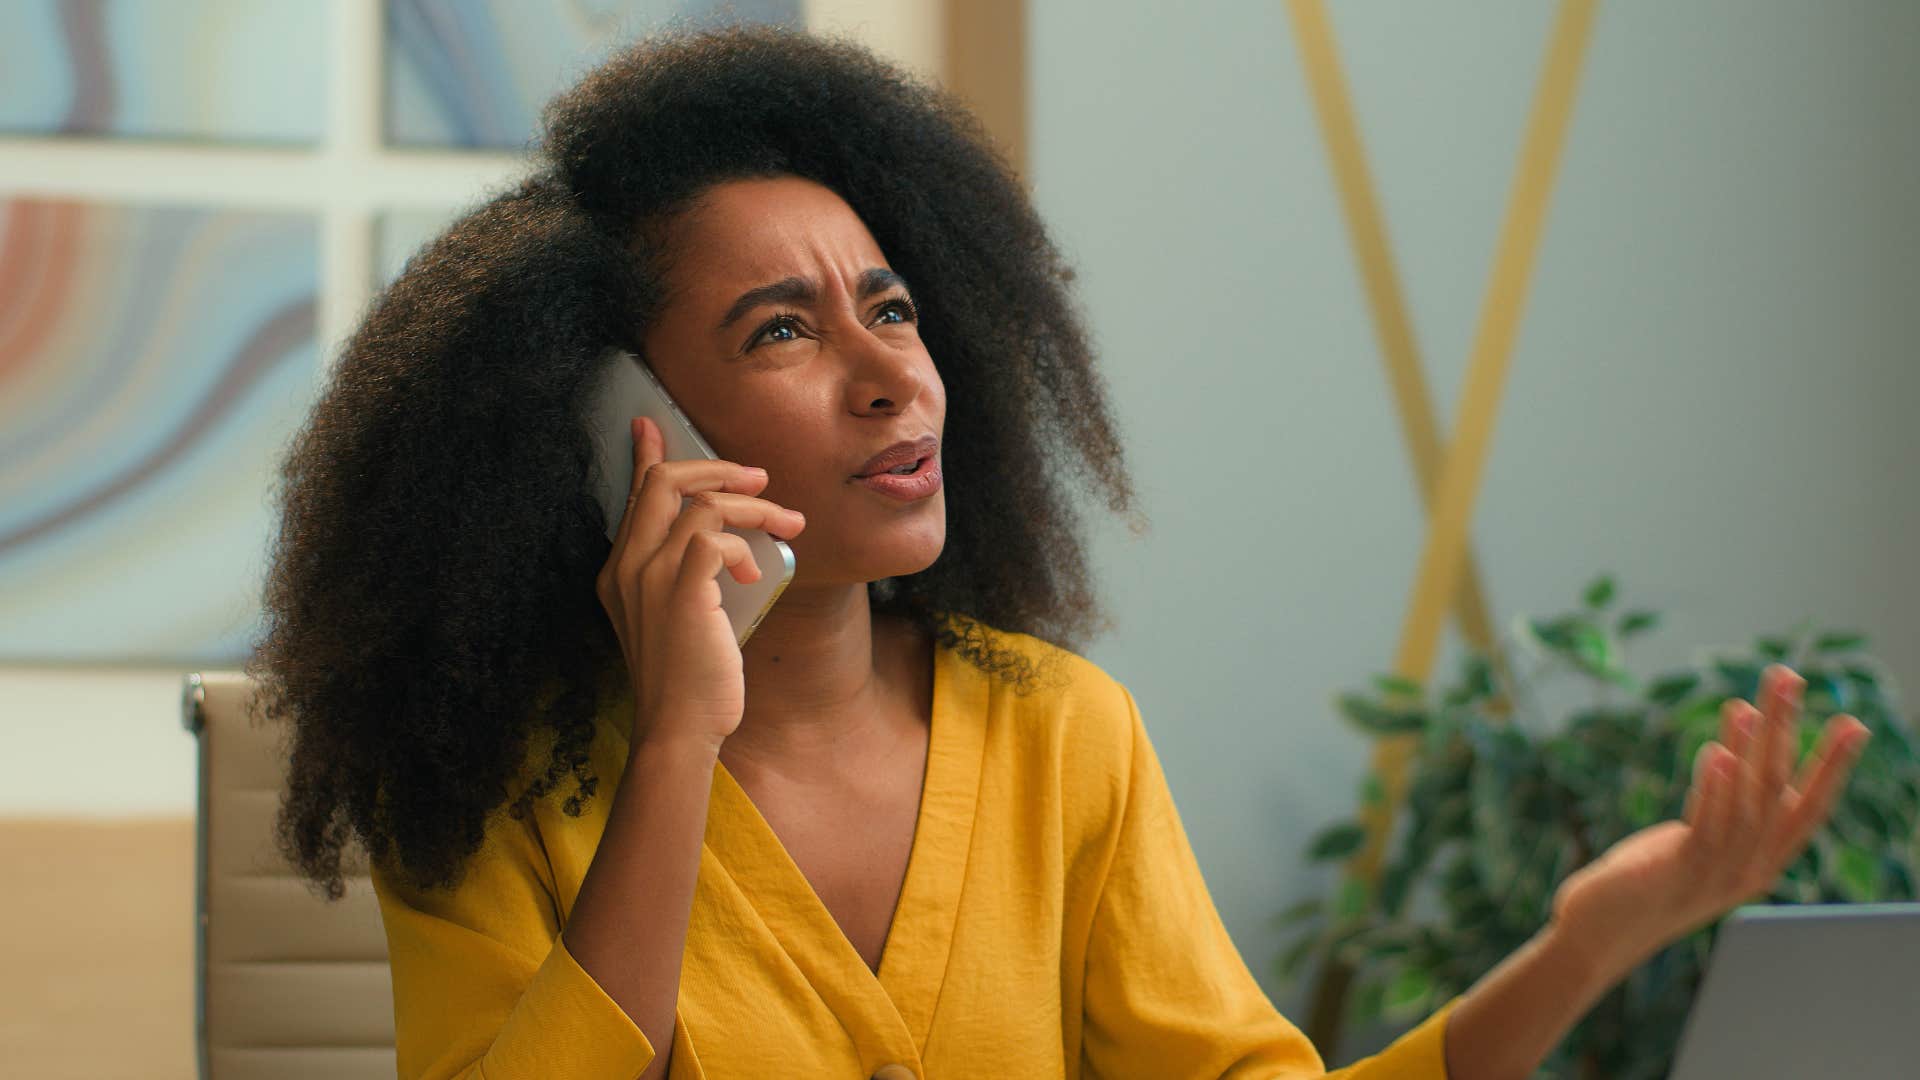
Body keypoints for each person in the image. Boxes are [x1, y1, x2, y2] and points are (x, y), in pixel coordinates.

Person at [248, 23, 1872, 1080]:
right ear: (624, 426)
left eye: (890, 304)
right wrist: (681, 737)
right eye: (781, 329)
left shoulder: (1054, 736)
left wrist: (1589, 945)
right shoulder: (492, 784)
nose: (893, 371)